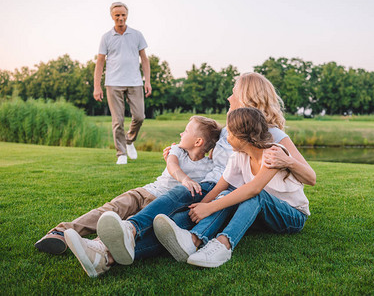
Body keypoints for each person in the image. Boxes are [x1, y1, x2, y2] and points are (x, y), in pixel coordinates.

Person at [64, 72, 316, 277]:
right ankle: (108, 251)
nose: (229, 97)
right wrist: (183, 152)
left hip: (262, 204)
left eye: (234, 92)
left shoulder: (274, 141)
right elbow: (209, 145)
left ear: (248, 97)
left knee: (225, 201)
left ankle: (205, 241)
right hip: (234, 197)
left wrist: (288, 161)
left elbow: (304, 178)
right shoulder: (233, 132)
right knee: (187, 203)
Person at [34, 116, 222, 256]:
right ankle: (61, 231)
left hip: (160, 204)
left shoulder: (209, 167)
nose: (182, 133)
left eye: (186, 131)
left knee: (129, 224)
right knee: (110, 209)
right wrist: (184, 179)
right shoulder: (177, 150)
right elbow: (172, 166)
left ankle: (96, 248)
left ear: (198, 142)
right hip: (146, 191)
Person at [153, 107, 311, 268]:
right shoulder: (237, 157)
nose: (227, 139)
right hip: (262, 215)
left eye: (229, 134)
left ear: (242, 137)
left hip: (292, 215)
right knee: (227, 196)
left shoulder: (274, 153)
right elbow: (218, 189)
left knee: (252, 195)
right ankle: (193, 240)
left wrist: (209, 208)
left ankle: (223, 245)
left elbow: (254, 189)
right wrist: (197, 209)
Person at [94, 2, 152, 165]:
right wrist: (97, 86)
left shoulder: (137, 34)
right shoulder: (106, 37)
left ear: (127, 15)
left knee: (140, 116)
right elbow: (99, 63)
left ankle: (129, 140)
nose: (120, 18)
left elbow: (144, 59)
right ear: (112, 16)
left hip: (134, 82)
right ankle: (121, 153)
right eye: (117, 15)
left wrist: (147, 80)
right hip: (113, 83)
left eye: (123, 15)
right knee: (117, 120)